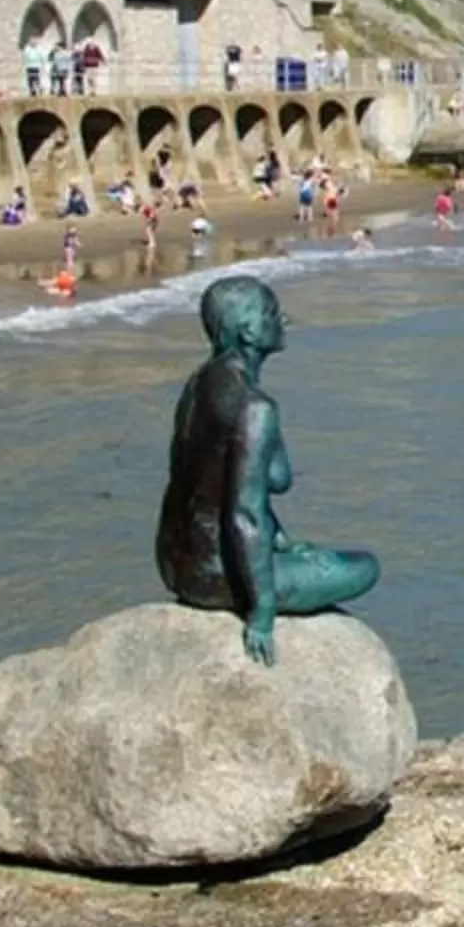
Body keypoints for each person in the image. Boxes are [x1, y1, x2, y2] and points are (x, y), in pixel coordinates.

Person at [157, 275, 381, 665]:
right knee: (364, 568)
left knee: (309, 557)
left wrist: (281, 542)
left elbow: (203, 483)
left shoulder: (199, 383)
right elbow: (245, 516)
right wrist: (262, 613)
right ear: (248, 331)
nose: (284, 320)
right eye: (272, 313)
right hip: (216, 577)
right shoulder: (254, 408)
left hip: (175, 565)